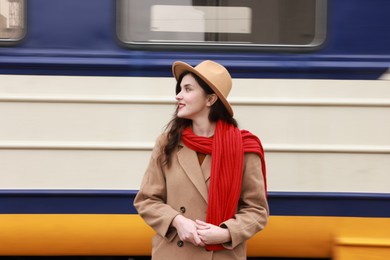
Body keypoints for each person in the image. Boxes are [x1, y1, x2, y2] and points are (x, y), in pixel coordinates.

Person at [134, 60, 269, 260]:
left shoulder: (242, 146)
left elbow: (256, 210)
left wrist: (226, 233)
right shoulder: (167, 143)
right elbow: (146, 200)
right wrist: (177, 221)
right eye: (179, 89)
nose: (178, 96)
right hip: (173, 253)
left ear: (210, 99)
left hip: (221, 254)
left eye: (188, 89)